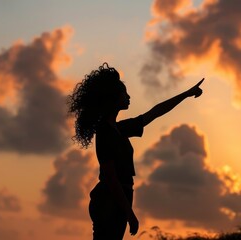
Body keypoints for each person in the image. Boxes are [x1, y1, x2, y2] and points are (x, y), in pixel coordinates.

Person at [67, 62, 204, 239]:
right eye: (124, 93)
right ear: (113, 98)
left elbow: (155, 112)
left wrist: (186, 94)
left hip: (118, 198)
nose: (129, 96)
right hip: (109, 200)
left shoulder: (119, 128)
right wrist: (129, 213)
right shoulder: (105, 132)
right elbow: (110, 177)